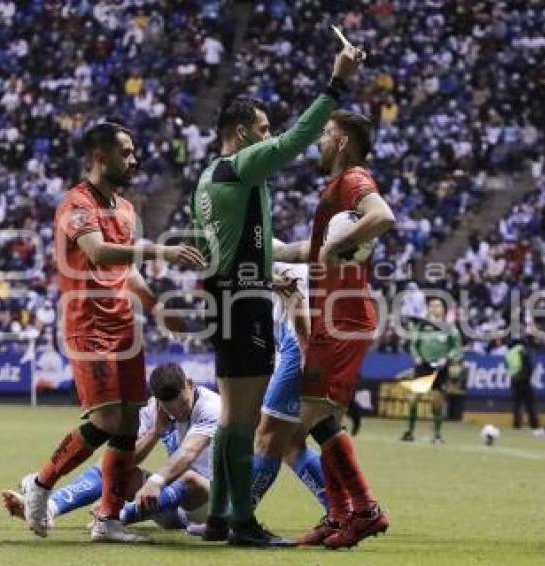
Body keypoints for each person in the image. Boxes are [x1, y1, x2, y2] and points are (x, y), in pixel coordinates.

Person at [190, 44, 365, 546]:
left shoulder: (211, 180)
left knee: (230, 417)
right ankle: (243, 522)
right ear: (242, 133)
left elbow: (247, 250)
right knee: (243, 421)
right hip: (242, 302)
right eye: (262, 130)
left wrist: (313, 251)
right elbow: (296, 140)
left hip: (228, 295)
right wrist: (336, 82)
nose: (269, 138)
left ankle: (222, 516)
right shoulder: (241, 165)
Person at [18, 121, 205, 544]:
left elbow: (127, 270)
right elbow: (99, 253)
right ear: (100, 157)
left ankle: (107, 518)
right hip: (88, 325)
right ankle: (42, 483)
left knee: (126, 426)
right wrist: (161, 248)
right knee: (104, 419)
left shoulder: (125, 208)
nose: (134, 158)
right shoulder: (76, 203)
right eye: (126, 151)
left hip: (125, 328)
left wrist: (157, 309)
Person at [274, 109, 394, 549]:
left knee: (297, 428)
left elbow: (382, 216)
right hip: (335, 314)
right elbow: (316, 248)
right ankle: (347, 514)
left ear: (343, 141)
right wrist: (278, 251)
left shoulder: (354, 180)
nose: (319, 141)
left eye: (325, 133)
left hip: (343, 318)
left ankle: (359, 510)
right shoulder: (335, 190)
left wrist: (338, 246)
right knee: (326, 423)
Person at [2, 363, 218, 534]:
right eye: (169, 407)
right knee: (113, 466)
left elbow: (188, 453)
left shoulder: (210, 406)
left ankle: (117, 516)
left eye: (181, 402)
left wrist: (154, 482)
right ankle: (49, 509)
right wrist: (155, 433)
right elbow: (126, 459)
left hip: (210, 502)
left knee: (190, 479)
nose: (177, 411)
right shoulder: (153, 409)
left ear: (189, 384)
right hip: (168, 503)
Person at [249, 263, 328, 515]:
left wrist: (306, 356)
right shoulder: (263, 260)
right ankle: (344, 509)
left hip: (297, 344)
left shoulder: (271, 257)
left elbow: (296, 292)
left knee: (268, 437)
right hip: (292, 342)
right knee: (292, 443)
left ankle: (238, 514)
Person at [401, 297, 463, 443]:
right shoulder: (422, 327)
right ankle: (409, 432)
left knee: (437, 402)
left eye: (439, 306)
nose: (436, 308)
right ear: (428, 309)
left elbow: (456, 348)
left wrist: (447, 358)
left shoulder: (450, 328)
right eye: (433, 306)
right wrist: (416, 356)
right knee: (413, 400)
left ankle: (437, 434)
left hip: (440, 367)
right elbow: (413, 345)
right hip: (423, 366)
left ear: (443, 309)